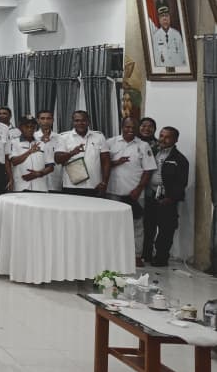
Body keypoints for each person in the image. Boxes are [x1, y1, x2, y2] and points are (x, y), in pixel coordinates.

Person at [107, 117, 157, 264]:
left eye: (133, 128)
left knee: (137, 226)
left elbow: (148, 170)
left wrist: (139, 188)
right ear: (122, 127)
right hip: (113, 192)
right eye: (127, 127)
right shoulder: (110, 142)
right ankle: (113, 255)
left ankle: (136, 256)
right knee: (113, 225)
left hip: (135, 194)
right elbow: (102, 164)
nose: (130, 130)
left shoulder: (143, 145)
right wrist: (116, 162)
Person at [143, 126, 189, 266]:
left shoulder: (180, 159)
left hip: (167, 199)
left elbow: (181, 182)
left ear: (175, 140)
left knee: (166, 230)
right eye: (161, 135)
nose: (163, 139)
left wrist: (171, 198)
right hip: (150, 196)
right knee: (148, 227)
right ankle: (146, 255)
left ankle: (161, 258)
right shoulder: (153, 152)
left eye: (167, 137)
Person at [55, 110, 110, 196]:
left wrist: (104, 182)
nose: (80, 123)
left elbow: (106, 161)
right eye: (77, 120)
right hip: (71, 186)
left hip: (95, 185)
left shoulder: (99, 136)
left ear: (88, 122)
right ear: (73, 122)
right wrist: (71, 153)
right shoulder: (63, 137)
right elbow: (57, 159)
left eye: (83, 120)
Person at [8, 116, 55, 192]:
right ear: (20, 128)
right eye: (26, 127)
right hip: (21, 186)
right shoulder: (13, 142)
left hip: (40, 187)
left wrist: (39, 174)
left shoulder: (43, 143)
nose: (29, 129)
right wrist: (29, 152)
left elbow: (50, 167)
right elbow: (14, 162)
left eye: (32, 127)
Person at [151, 0, 187, 68]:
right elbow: (155, 61)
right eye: (162, 16)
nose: (165, 19)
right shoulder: (155, 37)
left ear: (170, 17)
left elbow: (184, 58)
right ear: (159, 19)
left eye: (166, 15)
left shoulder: (177, 34)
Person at [36, 110, 64, 192]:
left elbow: (61, 159)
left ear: (52, 120)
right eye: (42, 118)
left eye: (48, 118)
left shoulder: (60, 138)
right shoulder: (32, 137)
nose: (45, 121)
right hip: (36, 181)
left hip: (55, 181)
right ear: (38, 120)